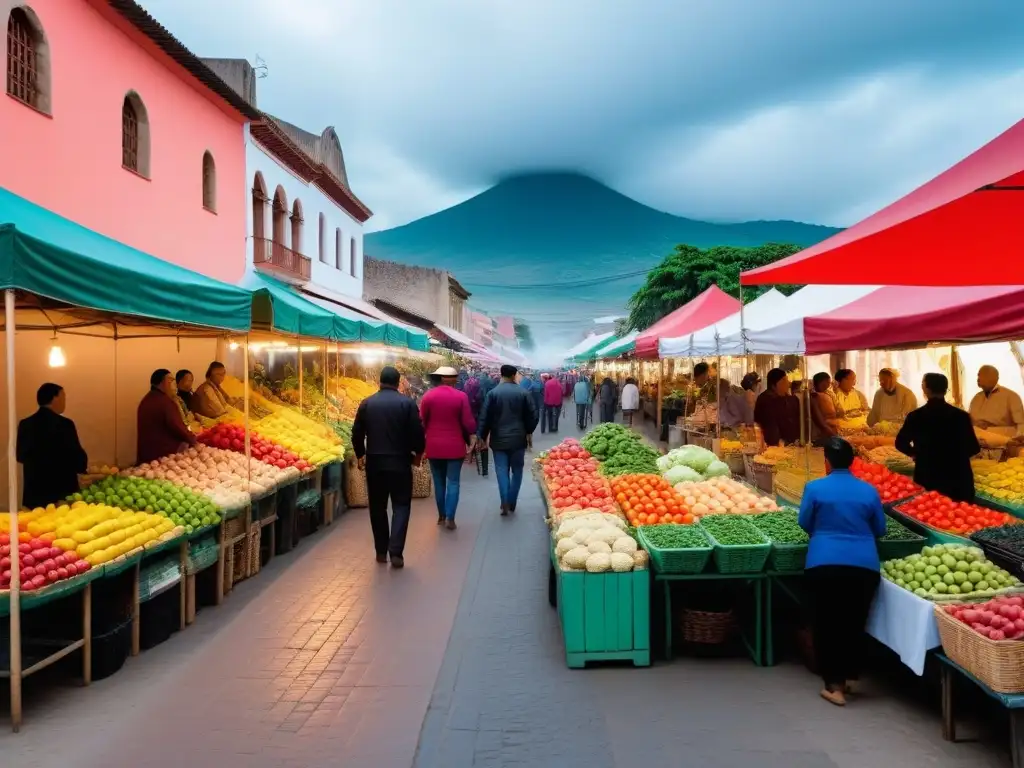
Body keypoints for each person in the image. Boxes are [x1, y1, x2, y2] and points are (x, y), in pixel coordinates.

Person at [798, 436, 886, 707]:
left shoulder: (814, 488)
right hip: (863, 566)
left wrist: (826, 534)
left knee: (826, 623)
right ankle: (849, 677)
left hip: (824, 563)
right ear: (853, 462)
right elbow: (880, 529)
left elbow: (805, 522)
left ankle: (834, 685)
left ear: (826, 461)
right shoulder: (869, 491)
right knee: (854, 621)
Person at [352, 366, 426, 567]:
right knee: (401, 505)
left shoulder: (367, 403)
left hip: (375, 463)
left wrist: (360, 454)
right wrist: (417, 453)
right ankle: (396, 552)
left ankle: (381, 551)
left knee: (377, 507)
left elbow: (356, 432)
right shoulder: (407, 404)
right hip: (400, 462)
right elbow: (418, 433)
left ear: (379, 381)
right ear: (397, 382)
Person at [896, 373, 980, 501]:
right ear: (945, 389)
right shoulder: (961, 416)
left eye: (922, 384)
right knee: (960, 517)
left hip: (928, 476)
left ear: (926, 389)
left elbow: (900, 443)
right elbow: (974, 447)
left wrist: (916, 454)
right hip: (958, 479)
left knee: (931, 515)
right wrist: (955, 458)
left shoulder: (916, 416)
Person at [477, 364, 538, 516]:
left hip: (498, 439)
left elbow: (484, 417)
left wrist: (482, 436)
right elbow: (534, 415)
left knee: (501, 471)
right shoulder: (524, 393)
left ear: (501, 375)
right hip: (518, 439)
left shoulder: (492, 393)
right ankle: (512, 501)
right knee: (517, 471)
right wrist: (528, 430)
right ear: (514, 375)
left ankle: (504, 499)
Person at [420, 366, 476, 530]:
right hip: (454, 446)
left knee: (438, 482)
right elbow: (468, 422)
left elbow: (422, 421)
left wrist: (420, 445)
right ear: (452, 379)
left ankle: (441, 515)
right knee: (453, 482)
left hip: (434, 446)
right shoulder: (461, 396)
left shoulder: (428, 396)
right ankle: (451, 517)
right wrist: (473, 435)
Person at [16, 383, 88, 509]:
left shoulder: (25, 424)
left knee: (35, 527)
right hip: (61, 493)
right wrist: (84, 468)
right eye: (63, 397)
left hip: (34, 492)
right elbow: (77, 456)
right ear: (54, 398)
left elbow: (20, 456)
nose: (65, 401)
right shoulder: (65, 424)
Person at [137, 369, 198, 464]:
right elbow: (177, 426)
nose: (174, 385)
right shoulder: (165, 402)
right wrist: (194, 440)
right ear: (161, 383)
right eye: (171, 381)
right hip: (162, 454)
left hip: (146, 453)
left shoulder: (147, 399)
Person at [969, 365, 1024, 438]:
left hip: (1002, 443)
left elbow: (1020, 424)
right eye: (978, 375)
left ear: (995, 378)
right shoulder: (976, 398)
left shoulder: (1011, 396)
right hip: (977, 441)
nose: (978, 379)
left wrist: (1017, 440)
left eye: (982, 375)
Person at [754, 368, 801, 447]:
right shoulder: (766, 400)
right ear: (773, 384)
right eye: (783, 380)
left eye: (786, 380)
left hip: (793, 444)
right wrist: (777, 442)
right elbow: (769, 425)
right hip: (775, 446)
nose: (787, 383)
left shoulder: (791, 399)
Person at [464, 375, 489, 477]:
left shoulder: (465, 395)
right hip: (480, 420)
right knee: (483, 444)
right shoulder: (482, 394)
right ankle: (484, 469)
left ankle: (470, 457)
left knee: (470, 439)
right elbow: (485, 408)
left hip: (470, 420)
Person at [809, 372, 839, 445]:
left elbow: (838, 411)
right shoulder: (814, 396)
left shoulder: (829, 394)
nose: (830, 384)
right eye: (829, 382)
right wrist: (835, 437)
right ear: (823, 382)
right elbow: (821, 422)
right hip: (821, 436)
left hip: (831, 432)